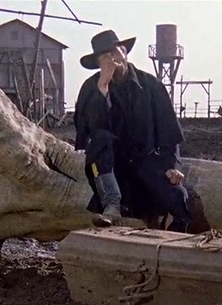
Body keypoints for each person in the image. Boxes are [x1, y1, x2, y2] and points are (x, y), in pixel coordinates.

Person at [73, 29, 191, 233]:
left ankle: (175, 239)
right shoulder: (91, 87)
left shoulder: (151, 85)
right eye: (104, 58)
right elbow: (90, 130)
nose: (111, 60)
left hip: (146, 160)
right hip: (109, 165)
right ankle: (112, 203)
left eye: (114, 53)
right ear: (99, 64)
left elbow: (169, 131)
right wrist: (102, 89)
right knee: (100, 139)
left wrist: (172, 166)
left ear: (124, 52)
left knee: (178, 196)